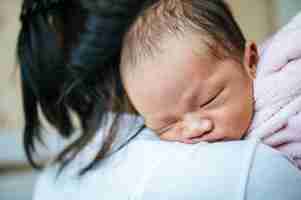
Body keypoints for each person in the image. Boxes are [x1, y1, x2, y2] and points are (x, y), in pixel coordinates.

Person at [16, 0, 301, 199]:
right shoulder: (253, 172)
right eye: (166, 125)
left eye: (209, 99)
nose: (194, 129)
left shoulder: (51, 182)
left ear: (250, 60)